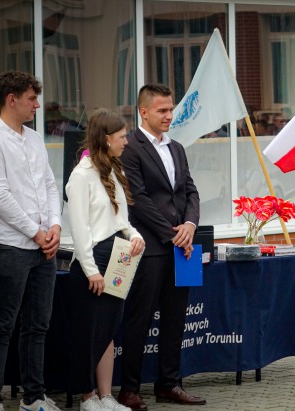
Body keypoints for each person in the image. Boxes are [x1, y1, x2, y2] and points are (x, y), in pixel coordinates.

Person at [0, 71, 62, 411]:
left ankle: (34, 397)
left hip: (43, 245)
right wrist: (36, 232)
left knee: (38, 326)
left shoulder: (35, 139)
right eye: (31, 99)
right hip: (7, 245)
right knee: (3, 324)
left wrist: (54, 225)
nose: (37, 105)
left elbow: (50, 185)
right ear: (11, 100)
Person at [117, 84, 203, 410]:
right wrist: (172, 234)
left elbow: (190, 192)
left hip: (183, 248)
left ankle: (169, 384)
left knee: (176, 318)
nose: (169, 116)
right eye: (162, 110)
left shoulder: (177, 147)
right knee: (139, 319)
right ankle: (129, 389)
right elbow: (137, 199)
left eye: (171, 109)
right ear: (144, 112)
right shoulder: (130, 147)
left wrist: (190, 225)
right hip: (150, 247)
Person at [65, 109, 145, 411]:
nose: (126, 141)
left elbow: (121, 219)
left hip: (118, 257)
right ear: (106, 138)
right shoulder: (80, 176)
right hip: (94, 262)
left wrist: (135, 235)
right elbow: (80, 228)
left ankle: (106, 395)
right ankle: (87, 397)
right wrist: (91, 271)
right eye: (122, 136)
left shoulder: (112, 170)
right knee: (90, 332)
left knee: (108, 329)